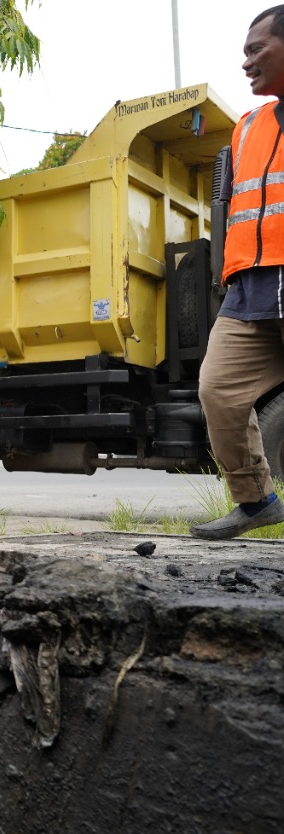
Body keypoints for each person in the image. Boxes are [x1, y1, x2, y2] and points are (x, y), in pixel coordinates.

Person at [193, 5, 284, 539]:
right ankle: (256, 502)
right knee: (219, 390)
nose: (246, 62)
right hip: (249, 285)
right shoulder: (248, 126)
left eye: (256, 50)